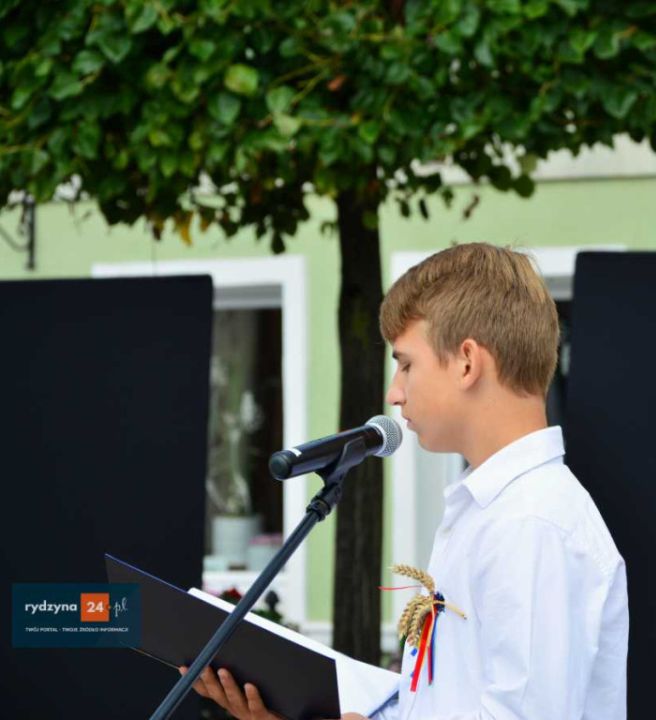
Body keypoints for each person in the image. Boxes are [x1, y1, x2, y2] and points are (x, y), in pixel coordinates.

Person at [184, 242, 628, 719]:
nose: (394, 393)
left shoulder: (532, 522)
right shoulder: (492, 510)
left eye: (406, 364)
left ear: (466, 362)